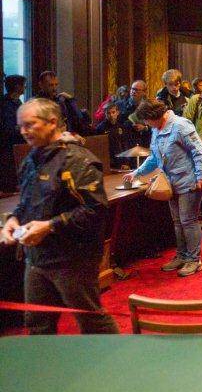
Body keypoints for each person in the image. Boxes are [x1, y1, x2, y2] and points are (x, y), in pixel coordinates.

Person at [0, 98, 119, 334]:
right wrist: (12, 220)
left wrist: (50, 225)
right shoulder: (31, 159)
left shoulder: (77, 160)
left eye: (30, 124)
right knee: (36, 324)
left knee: (91, 321)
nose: (24, 131)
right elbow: (27, 203)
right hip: (36, 258)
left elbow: (96, 210)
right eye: (20, 126)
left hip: (73, 259)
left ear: (52, 122)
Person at [126, 100, 202, 277]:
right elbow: (155, 157)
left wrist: (201, 176)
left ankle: (194, 260)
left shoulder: (180, 125)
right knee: (178, 222)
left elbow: (198, 151)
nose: (146, 124)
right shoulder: (157, 129)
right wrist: (137, 173)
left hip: (189, 181)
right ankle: (182, 256)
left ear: (154, 117)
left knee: (188, 221)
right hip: (171, 183)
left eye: (147, 120)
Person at [36, 71, 91, 136]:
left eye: (56, 85)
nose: (54, 88)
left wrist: (71, 100)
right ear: (41, 85)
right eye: (50, 85)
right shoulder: (36, 103)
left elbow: (80, 118)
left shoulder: (60, 101)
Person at [0, 74, 27, 192]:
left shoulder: (17, 102)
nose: (24, 88)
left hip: (16, 143)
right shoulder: (6, 104)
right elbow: (8, 127)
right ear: (17, 87)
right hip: (9, 145)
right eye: (23, 86)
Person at [95, 102, 136, 169]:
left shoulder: (122, 127)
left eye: (113, 112)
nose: (111, 115)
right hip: (108, 162)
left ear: (117, 112)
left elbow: (126, 145)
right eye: (108, 113)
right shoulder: (100, 128)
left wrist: (127, 162)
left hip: (122, 161)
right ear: (105, 114)